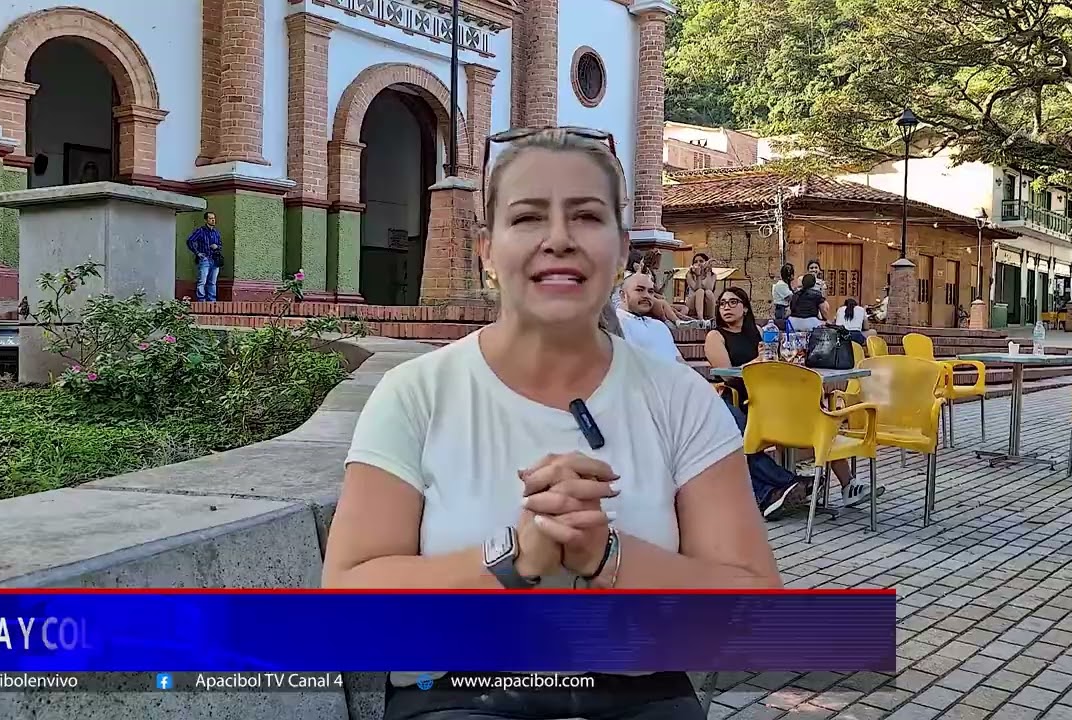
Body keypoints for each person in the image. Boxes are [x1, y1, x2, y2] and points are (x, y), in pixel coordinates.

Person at [323, 129, 780, 720]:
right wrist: (513, 557)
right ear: (487, 249)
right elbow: (348, 602)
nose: (559, 239)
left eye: (587, 216)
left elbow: (754, 613)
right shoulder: (415, 396)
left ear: (621, 251)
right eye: (528, 217)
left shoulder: (681, 400)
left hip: (639, 695)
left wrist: (606, 557)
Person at [705, 287, 869, 508]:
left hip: (769, 398)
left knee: (817, 418)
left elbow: (774, 361)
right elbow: (726, 374)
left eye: (733, 302)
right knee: (744, 439)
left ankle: (848, 484)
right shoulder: (716, 336)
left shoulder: (759, 331)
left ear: (744, 308)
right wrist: (756, 361)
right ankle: (791, 483)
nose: (726, 307)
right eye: (722, 303)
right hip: (740, 399)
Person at [616, 271, 686, 364]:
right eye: (639, 290)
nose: (647, 296)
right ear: (623, 295)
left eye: (650, 291)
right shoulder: (615, 324)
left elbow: (680, 362)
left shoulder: (660, 326)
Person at [186, 211, 222, 302]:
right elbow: (190, 241)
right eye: (210, 218)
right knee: (202, 281)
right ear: (206, 220)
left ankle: (212, 301)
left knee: (212, 282)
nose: (213, 220)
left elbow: (220, 245)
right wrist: (197, 253)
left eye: (214, 218)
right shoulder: (201, 231)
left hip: (215, 259)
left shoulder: (216, 232)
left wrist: (217, 246)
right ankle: (201, 300)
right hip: (205, 258)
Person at [685, 252, 717, 325]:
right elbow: (696, 288)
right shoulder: (690, 274)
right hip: (692, 305)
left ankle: (711, 318)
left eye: (701, 261)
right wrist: (698, 275)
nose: (698, 263)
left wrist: (708, 272)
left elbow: (710, 288)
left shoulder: (713, 275)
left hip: (705, 305)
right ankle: (700, 319)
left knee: (708, 293)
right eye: (695, 262)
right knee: (700, 291)